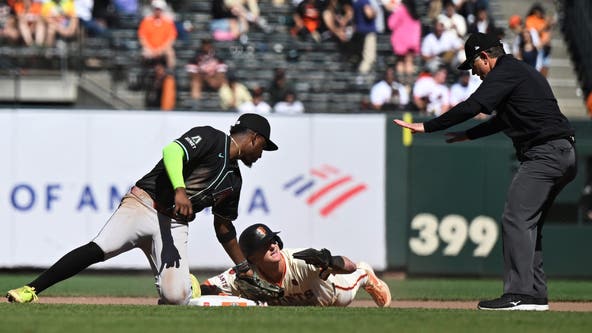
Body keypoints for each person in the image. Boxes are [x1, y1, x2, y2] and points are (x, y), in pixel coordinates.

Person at [6, 113, 279, 304]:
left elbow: (223, 227)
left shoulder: (234, 180)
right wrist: (180, 190)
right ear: (254, 138)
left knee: (176, 298)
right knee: (99, 248)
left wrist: (243, 266)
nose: (261, 154)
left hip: (173, 225)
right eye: (263, 147)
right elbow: (172, 152)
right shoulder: (211, 137)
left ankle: (186, 282)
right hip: (143, 204)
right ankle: (31, 289)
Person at [393, 32, 577, 311]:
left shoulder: (505, 71)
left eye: (474, 65)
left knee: (515, 218)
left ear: (485, 57)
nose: (475, 73)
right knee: (529, 224)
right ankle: (535, 295)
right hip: (562, 153)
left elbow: (473, 106)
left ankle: (519, 294)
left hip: (545, 154)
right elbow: (503, 119)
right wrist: (470, 134)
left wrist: (428, 126)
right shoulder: (519, 72)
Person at [200, 223, 392, 307]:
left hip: (330, 291)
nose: (273, 245)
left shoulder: (300, 262)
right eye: (265, 245)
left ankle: (366, 274)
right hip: (305, 299)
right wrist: (224, 296)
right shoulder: (244, 273)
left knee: (345, 294)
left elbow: (348, 266)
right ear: (251, 258)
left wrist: (330, 260)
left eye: (273, 240)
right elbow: (205, 288)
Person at [137, 0, 177, 69]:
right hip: (150, 48)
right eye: (156, 9)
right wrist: (150, 48)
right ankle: (144, 74)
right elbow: (142, 37)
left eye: (159, 9)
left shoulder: (168, 22)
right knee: (144, 53)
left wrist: (161, 49)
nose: (158, 11)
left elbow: (171, 38)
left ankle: (170, 75)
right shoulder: (146, 21)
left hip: (163, 48)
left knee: (170, 53)